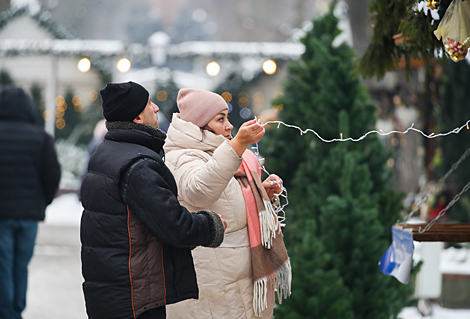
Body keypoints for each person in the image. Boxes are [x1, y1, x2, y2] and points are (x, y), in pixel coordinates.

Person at [80, 81, 226, 319]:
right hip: (134, 297)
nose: (157, 108)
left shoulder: (108, 152)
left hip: (110, 291)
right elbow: (173, 225)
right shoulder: (139, 165)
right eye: (149, 104)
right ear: (137, 117)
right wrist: (211, 225)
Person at [164, 88, 291, 319]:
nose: (230, 125)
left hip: (235, 273)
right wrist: (238, 144)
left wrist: (262, 192)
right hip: (215, 276)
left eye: (227, 117)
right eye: (220, 119)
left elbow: (226, 199)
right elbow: (200, 191)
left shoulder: (216, 151)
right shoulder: (183, 156)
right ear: (199, 124)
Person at [0, 86, 61, 319]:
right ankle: (16, 309)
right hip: (28, 216)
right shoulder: (40, 137)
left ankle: (7, 312)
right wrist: (41, 203)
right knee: (20, 265)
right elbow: (52, 175)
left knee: (3, 265)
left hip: (1, 216)